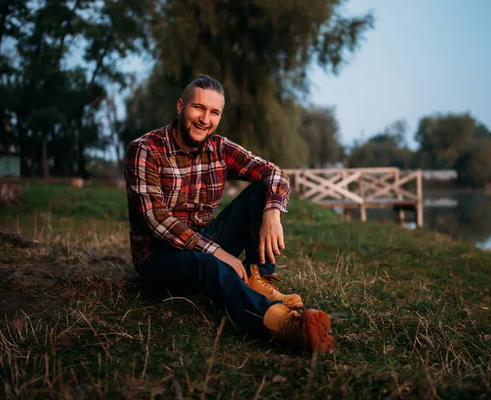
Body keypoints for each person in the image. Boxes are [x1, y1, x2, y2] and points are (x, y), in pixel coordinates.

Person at [124, 75, 335, 353]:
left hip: (204, 239)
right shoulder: (145, 149)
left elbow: (273, 172)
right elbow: (156, 219)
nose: (205, 119)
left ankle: (257, 280)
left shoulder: (219, 148)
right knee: (208, 263)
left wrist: (273, 211)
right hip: (159, 258)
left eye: (214, 112)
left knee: (261, 192)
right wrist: (216, 252)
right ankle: (284, 326)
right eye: (198, 108)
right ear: (180, 106)